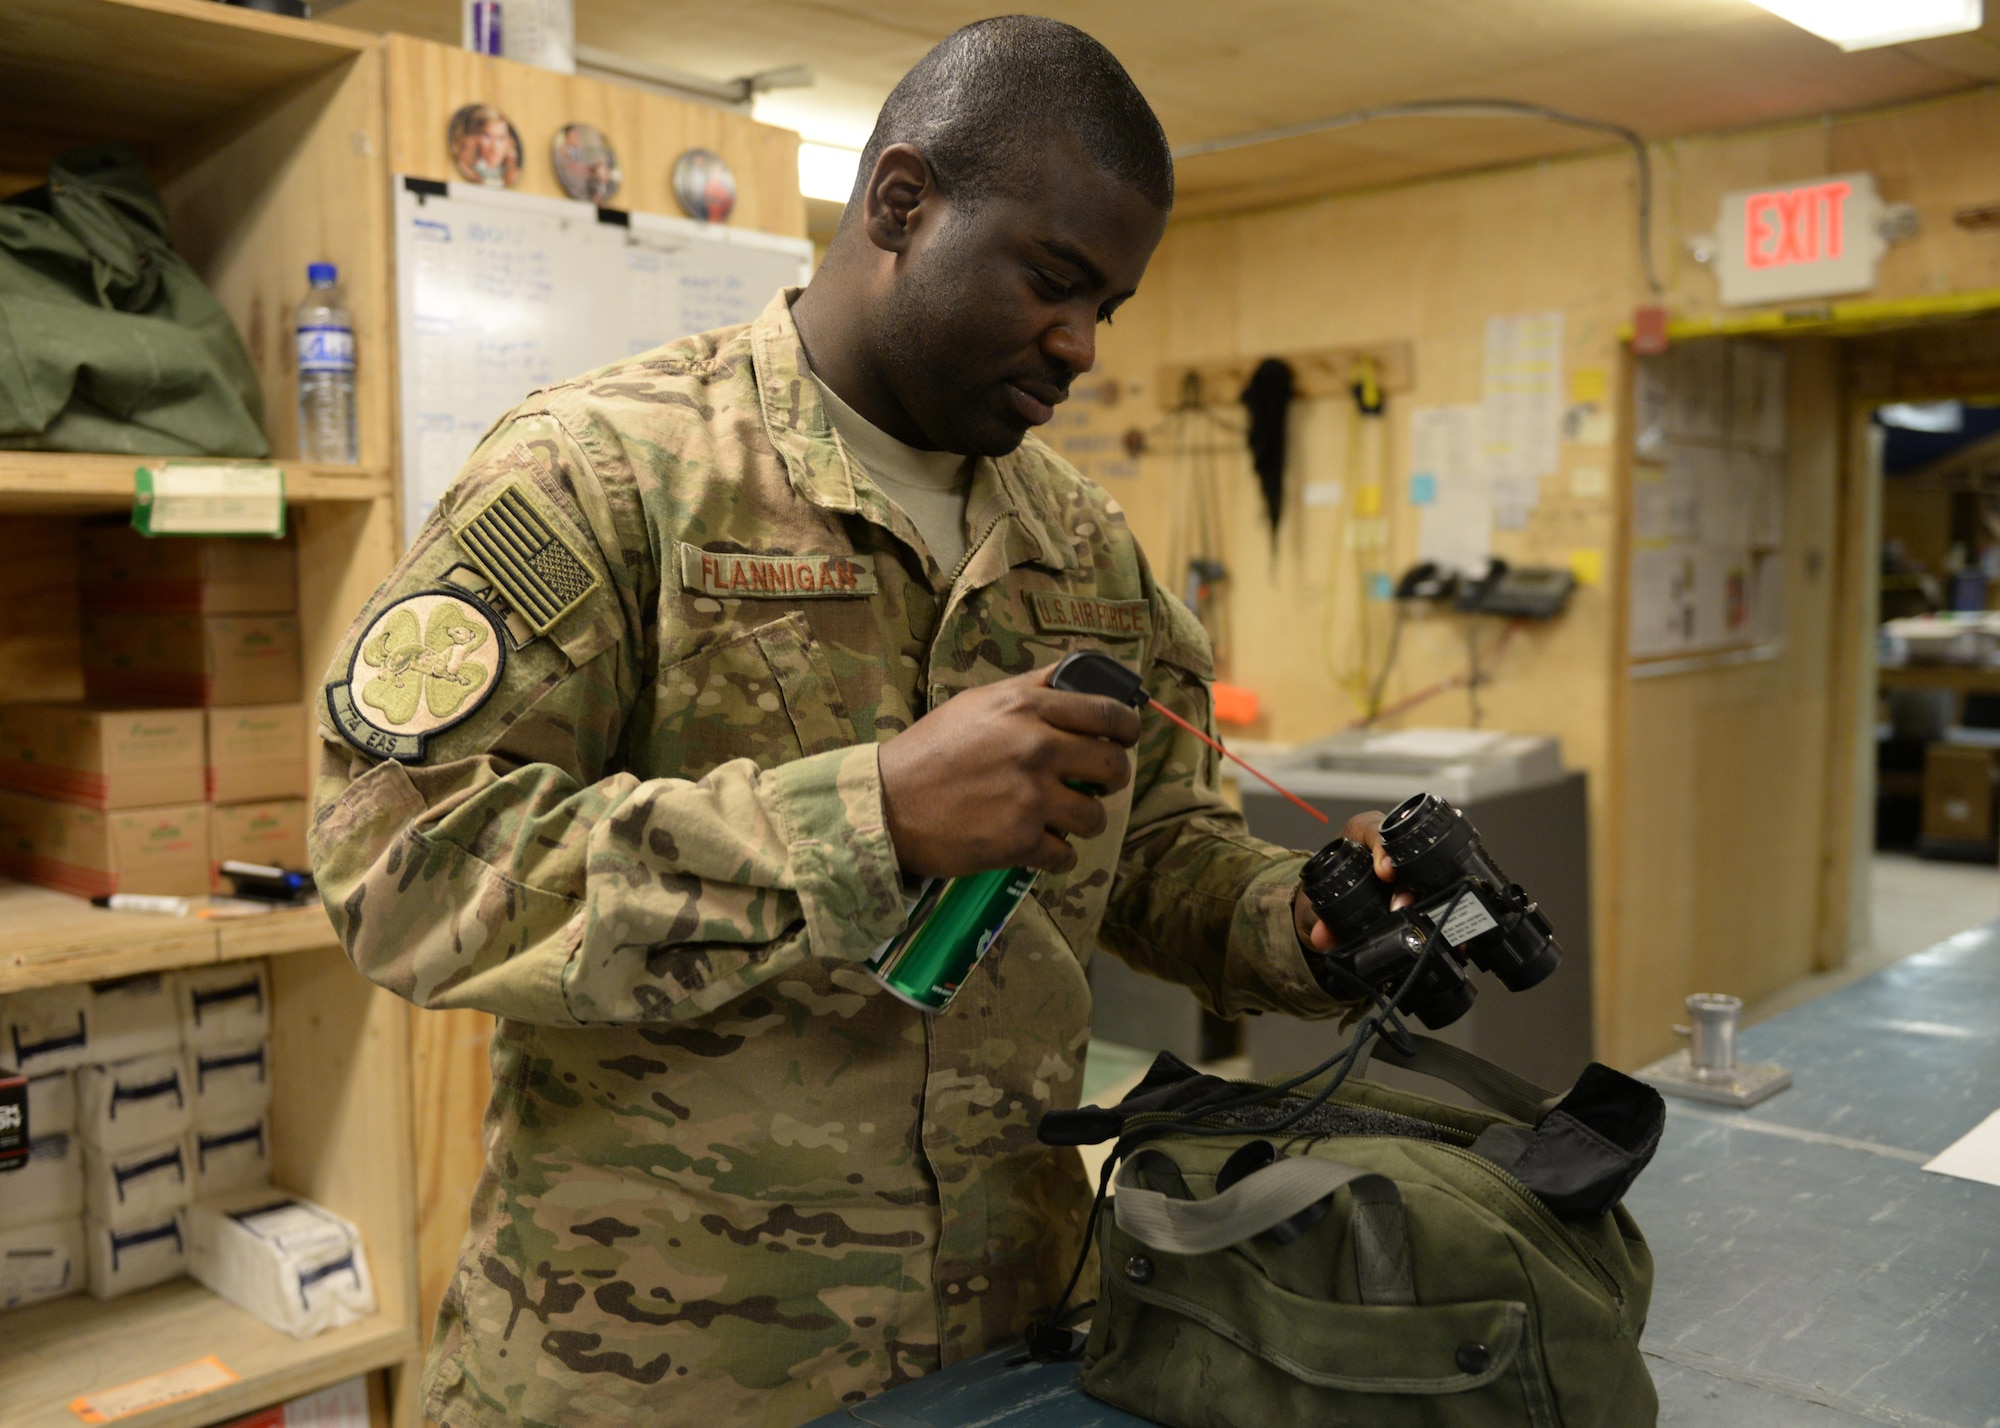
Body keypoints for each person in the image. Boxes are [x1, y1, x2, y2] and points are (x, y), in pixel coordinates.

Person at [310, 17, 1387, 1428]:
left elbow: (1164, 862)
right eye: (1053, 283)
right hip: (652, 1366)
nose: (1079, 346)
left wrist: (1305, 922)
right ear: (900, 203)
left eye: (1105, 309)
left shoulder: (1088, 550)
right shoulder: (604, 473)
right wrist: (866, 818)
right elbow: (397, 865)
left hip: (1005, 1348)